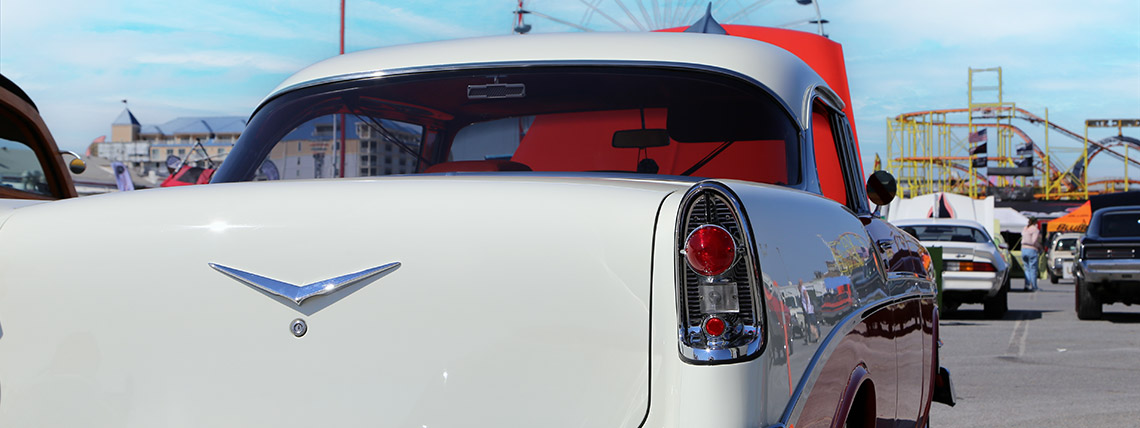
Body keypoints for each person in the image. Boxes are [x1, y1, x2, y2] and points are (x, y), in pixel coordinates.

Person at [1021, 218, 1041, 291]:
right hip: (1031, 249)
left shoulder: (1025, 228)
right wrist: (1039, 247)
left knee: (1026, 268)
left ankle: (1027, 285)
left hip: (1023, 249)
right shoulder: (1035, 229)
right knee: (1033, 268)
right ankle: (1034, 286)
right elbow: (1034, 241)